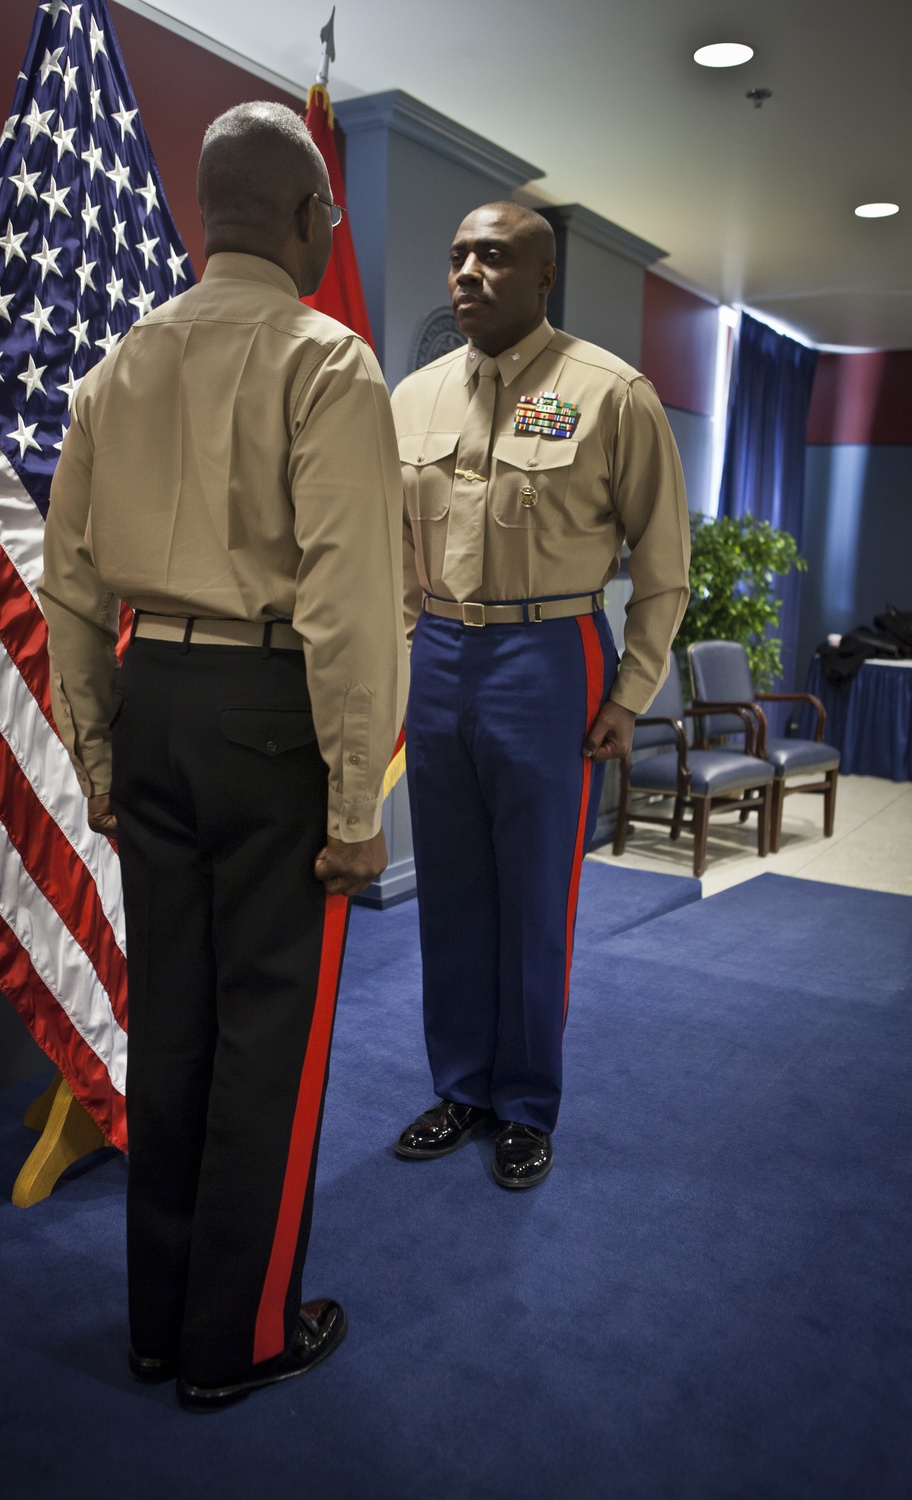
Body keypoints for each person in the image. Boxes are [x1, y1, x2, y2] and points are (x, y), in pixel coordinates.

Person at [39, 102, 408, 1412]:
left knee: (176, 1024)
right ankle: (238, 1337)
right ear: (306, 219)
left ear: (211, 217)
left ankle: (157, 1325)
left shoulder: (117, 365)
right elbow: (350, 603)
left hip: (151, 705)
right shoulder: (330, 361)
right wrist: (358, 799)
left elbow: (69, 589)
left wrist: (93, 749)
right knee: (270, 1035)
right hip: (270, 717)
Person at [391, 201, 690, 1189]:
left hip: (548, 655)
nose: (467, 272)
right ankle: (460, 1087)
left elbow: (663, 565)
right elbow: (393, 550)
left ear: (542, 277)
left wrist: (631, 691)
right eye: (457, 255)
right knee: (451, 889)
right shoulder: (415, 397)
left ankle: (523, 1104)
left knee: (532, 894)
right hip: (438, 653)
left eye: (493, 256)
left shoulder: (612, 395)